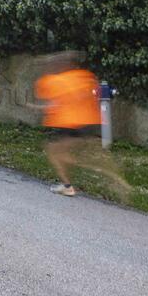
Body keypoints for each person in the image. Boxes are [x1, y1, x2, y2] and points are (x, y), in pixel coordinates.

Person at [33, 51, 129, 197]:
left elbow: (52, 105)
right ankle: (116, 178)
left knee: (54, 153)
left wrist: (34, 107)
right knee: (84, 153)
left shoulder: (52, 81)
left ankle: (68, 186)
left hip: (67, 125)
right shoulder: (86, 77)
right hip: (89, 124)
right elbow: (94, 95)